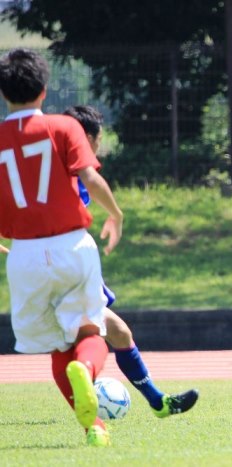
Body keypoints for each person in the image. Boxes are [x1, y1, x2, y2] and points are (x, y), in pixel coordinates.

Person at [0, 48, 123, 446]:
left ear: (4, 93)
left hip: (23, 253)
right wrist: (115, 214)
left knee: (57, 344)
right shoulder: (64, 126)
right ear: (43, 89)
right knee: (90, 332)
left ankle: (94, 428)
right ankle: (86, 370)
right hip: (71, 245)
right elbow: (90, 176)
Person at [63, 105, 199, 419]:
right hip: (67, 262)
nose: (98, 148)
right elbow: (91, 180)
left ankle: (157, 402)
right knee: (84, 340)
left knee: (118, 332)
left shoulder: (50, 167)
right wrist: (116, 215)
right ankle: (90, 398)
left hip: (64, 261)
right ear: (85, 138)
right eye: (98, 140)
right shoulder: (72, 168)